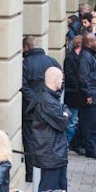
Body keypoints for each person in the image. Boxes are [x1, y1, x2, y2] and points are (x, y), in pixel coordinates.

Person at [27, 67, 88, 192]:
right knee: (48, 188)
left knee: (61, 186)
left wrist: (65, 113)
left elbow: (64, 111)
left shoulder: (51, 97)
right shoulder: (46, 100)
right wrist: (65, 114)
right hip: (49, 150)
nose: (62, 82)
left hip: (56, 149)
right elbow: (62, 122)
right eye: (61, 79)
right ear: (55, 80)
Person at [21, 36, 60, 179]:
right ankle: (45, 170)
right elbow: (60, 82)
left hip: (30, 110)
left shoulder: (25, 64)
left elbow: (23, 86)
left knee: (30, 140)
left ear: (26, 47)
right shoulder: (51, 61)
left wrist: (36, 101)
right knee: (46, 139)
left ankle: (31, 173)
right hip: (48, 109)